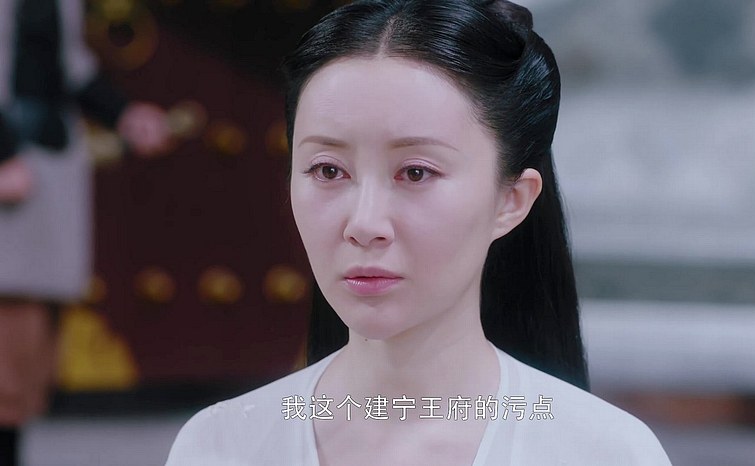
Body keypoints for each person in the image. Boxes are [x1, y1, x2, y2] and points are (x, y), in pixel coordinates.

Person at [167, 1, 671, 464]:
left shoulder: (603, 452)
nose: (364, 224)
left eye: (415, 172)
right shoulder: (221, 446)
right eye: (328, 170)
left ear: (511, 200)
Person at [0, 1, 170, 464]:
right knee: (7, 357)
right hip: (13, 172)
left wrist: (121, 113)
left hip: (44, 173)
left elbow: (67, 64)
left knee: (27, 362)